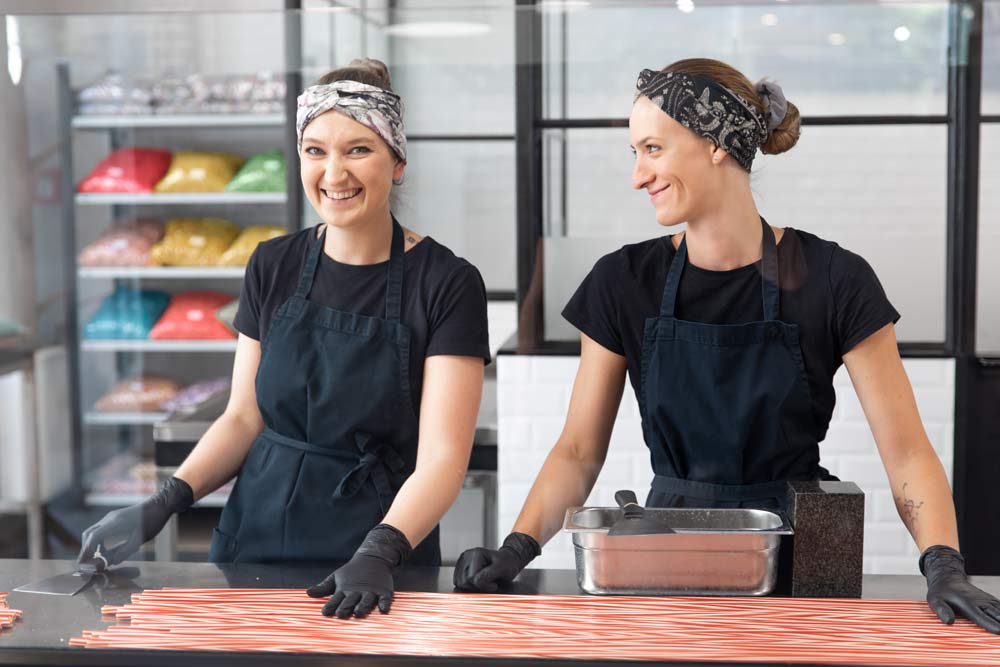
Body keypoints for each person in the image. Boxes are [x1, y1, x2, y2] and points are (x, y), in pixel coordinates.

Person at [453, 58, 1000, 634]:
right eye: (634, 153)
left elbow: (908, 452)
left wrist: (943, 564)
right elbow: (578, 451)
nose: (638, 175)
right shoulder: (623, 282)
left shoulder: (836, 279)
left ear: (716, 143)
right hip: (666, 559)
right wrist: (516, 548)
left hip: (798, 566)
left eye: (653, 149)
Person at [78, 58, 491, 620]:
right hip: (255, 535)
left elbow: (443, 458)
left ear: (396, 162)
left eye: (358, 149)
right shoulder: (273, 263)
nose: (334, 173)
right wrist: (166, 500)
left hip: (376, 556)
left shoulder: (446, 282)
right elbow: (243, 418)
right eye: (315, 150)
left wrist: (382, 550)